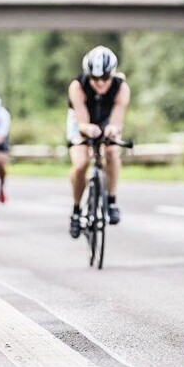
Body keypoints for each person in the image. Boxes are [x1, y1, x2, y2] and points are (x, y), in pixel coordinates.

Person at [67, 45, 131, 239]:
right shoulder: (77, 86)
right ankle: (76, 211)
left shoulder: (122, 87)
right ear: (88, 75)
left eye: (105, 78)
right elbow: (82, 123)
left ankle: (111, 201)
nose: (100, 83)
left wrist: (112, 130)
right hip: (80, 121)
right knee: (81, 164)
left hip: (105, 119)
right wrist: (88, 130)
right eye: (95, 79)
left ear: (112, 74)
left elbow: (117, 119)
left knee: (111, 151)